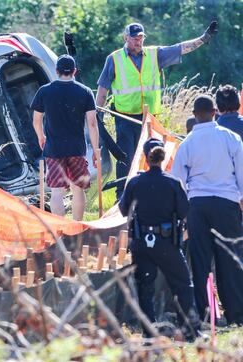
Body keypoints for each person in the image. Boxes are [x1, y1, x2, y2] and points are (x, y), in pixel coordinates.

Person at [96, 21, 218, 198]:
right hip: (124, 116)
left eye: (141, 37)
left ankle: (148, 193)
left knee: (150, 156)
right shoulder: (114, 59)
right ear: (126, 38)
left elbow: (180, 48)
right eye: (135, 38)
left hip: (148, 117)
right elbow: (103, 89)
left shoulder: (155, 54)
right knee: (125, 157)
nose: (139, 41)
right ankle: (121, 196)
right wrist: (97, 114)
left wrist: (203, 39)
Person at [172, 95, 243, 325]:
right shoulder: (231, 138)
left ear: (194, 115)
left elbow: (178, 182)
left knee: (200, 262)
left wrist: (184, 211)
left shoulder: (187, 143)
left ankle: (203, 314)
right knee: (230, 261)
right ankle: (235, 315)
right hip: (227, 204)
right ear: (216, 112)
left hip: (198, 206)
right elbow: (241, 175)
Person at [119, 138, 199, 338]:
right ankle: (188, 330)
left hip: (141, 242)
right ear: (162, 157)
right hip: (166, 242)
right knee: (182, 285)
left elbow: (123, 210)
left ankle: (148, 332)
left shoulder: (135, 183)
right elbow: (183, 212)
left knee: (145, 287)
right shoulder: (172, 183)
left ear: (146, 158)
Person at [31, 55, 99, 221]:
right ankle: (77, 229)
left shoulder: (45, 91)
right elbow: (92, 124)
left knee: (57, 191)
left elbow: (36, 120)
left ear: (57, 71)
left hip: (53, 149)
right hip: (76, 148)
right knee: (78, 189)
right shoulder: (85, 91)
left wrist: (41, 136)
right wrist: (96, 150)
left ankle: (60, 230)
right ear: (74, 71)